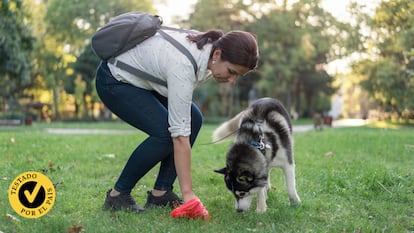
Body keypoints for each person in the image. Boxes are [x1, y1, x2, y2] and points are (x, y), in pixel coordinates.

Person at [95, 28, 259, 216]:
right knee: (165, 133)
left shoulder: (208, 52)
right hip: (114, 80)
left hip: (142, 81)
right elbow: (180, 137)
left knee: (194, 119)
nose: (231, 80)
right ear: (218, 54)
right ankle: (118, 196)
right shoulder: (184, 65)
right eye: (231, 72)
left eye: (237, 75)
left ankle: (161, 194)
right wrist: (188, 194)